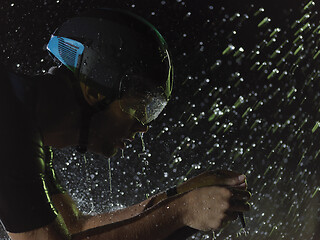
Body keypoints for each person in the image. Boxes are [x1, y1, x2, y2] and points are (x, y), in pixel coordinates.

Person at [0, 8, 251, 240]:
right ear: (97, 90)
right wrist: (182, 211)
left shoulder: (24, 123)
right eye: (142, 107)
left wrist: (180, 196)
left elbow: (75, 228)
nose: (143, 128)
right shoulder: (10, 124)